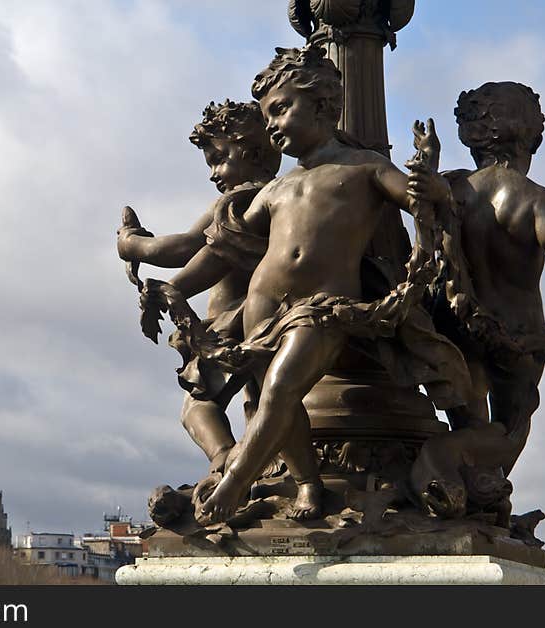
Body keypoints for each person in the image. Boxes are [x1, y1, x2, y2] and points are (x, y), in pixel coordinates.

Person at [142, 45, 464, 523]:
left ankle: (233, 484)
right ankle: (308, 482)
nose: (271, 125)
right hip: (261, 306)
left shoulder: (365, 167)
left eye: (280, 109)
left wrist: (430, 183)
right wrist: (174, 287)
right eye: (267, 115)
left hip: (323, 307)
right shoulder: (274, 189)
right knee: (277, 401)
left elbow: (420, 201)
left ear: (325, 106)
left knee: (279, 390)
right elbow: (225, 249)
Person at [429, 82, 545, 475]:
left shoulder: (450, 189)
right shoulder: (534, 200)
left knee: (472, 427)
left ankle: (464, 492)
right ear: (531, 136)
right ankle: (448, 467)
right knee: (508, 436)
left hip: (456, 331)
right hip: (519, 340)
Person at [117, 100, 281, 478]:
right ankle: (261, 462)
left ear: (253, 152)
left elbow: (187, 247)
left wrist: (132, 244)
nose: (213, 173)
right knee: (259, 404)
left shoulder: (240, 202)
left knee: (196, 408)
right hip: (259, 320)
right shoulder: (273, 198)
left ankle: (226, 459)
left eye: (219, 159)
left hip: (234, 325)